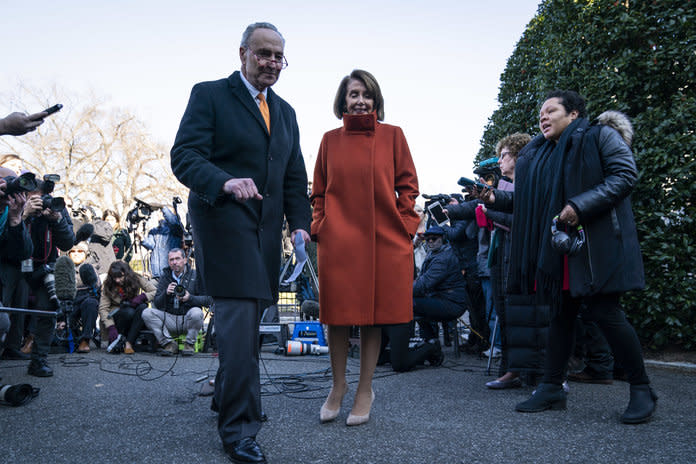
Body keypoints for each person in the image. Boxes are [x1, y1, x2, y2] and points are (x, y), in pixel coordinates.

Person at [170, 22, 311, 463]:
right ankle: (239, 430)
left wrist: (300, 226)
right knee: (239, 328)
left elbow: (293, 177)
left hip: (266, 235)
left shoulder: (286, 112)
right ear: (243, 53)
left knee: (244, 330)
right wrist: (225, 182)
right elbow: (184, 156)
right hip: (224, 225)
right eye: (263, 53)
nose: (271, 62)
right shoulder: (209, 94)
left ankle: (226, 397)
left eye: (278, 57)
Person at [481, 90, 656, 423]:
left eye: (551, 110)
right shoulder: (542, 153)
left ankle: (642, 389)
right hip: (562, 249)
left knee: (607, 314)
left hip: (597, 246)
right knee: (560, 316)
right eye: (540, 113)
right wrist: (494, 199)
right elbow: (531, 202)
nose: (543, 117)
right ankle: (551, 388)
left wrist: (579, 206)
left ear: (574, 114)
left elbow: (625, 175)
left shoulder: (600, 136)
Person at [311, 69, 420, 426]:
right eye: (353, 94)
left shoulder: (393, 136)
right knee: (337, 316)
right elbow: (318, 192)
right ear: (343, 100)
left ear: (376, 100)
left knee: (374, 315)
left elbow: (408, 186)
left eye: (366, 94)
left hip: (382, 238)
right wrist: (320, 226)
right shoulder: (328, 140)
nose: (360, 100)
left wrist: (405, 225)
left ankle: (364, 389)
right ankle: (338, 386)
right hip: (339, 240)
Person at [480, 133, 530, 389]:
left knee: (520, 316)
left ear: (519, 156)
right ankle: (511, 370)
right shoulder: (504, 184)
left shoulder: (526, 183)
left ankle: (526, 372)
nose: (500, 161)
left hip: (519, 255)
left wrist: (492, 214)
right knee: (505, 313)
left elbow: (526, 222)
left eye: (504, 155)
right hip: (501, 254)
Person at [22, 177, 75, 376]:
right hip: (16, 264)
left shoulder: (56, 207)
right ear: (26, 195)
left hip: (45, 268)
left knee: (47, 310)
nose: (42, 201)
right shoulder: (17, 203)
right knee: (8, 309)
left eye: (44, 197)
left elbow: (68, 243)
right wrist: (25, 214)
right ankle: (9, 349)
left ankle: (38, 360)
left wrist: (57, 220)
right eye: (36, 197)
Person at [142, 248, 211, 356]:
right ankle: (169, 344)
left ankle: (189, 344)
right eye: (171, 260)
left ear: (184, 260)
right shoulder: (165, 277)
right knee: (147, 313)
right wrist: (166, 293)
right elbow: (157, 303)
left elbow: (208, 300)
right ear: (169, 262)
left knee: (197, 312)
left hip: (189, 318)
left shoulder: (195, 275)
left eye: (177, 259)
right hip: (170, 318)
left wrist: (190, 298)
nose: (174, 262)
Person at [413, 225, 470, 347]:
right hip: (444, 298)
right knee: (413, 303)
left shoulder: (443, 258)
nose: (430, 241)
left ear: (442, 239)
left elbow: (423, 284)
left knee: (410, 303)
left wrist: (401, 290)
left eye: (434, 238)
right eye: (427, 239)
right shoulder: (436, 253)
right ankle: (430, 342)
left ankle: (430, 344)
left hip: (451, 303)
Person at [98, 260, 156, 355]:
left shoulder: (136, 278)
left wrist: (142, 297)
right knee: (128, 312)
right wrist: (111, 327)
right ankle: (118, 340)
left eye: (120, 277)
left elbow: (154, 291)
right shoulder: (108, 284)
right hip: (117, 315)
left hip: (134, 312)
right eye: (114, 277)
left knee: (143, 307)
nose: (117, 280)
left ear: (126, 274)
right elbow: (103, 308)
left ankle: (129, 342)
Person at [67, 242, 100, 353]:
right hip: (67, 303)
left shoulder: (91, 269)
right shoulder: (63, 269)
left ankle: (85, 340)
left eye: (80, 251)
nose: (76, 254)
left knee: (91, 303)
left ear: (86, 254)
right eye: (73, 251)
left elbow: (96, 289)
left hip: (84, 301)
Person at [142, 207, 184, 279]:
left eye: (161, 212)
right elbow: (151, 245)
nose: (158, 214)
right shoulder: (154, 231)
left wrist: (163, 207)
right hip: (155, 274)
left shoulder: (175, 229)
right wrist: (142, 239)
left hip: (171, 275)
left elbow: (173, 222)